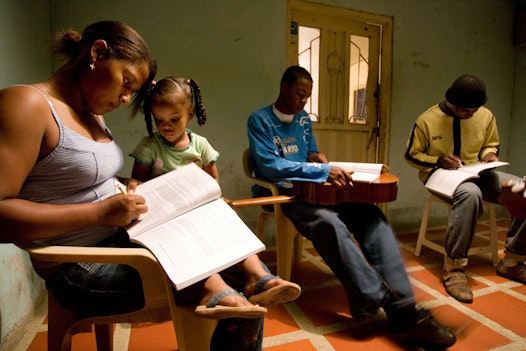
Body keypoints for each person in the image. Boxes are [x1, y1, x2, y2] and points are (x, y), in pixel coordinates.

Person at [0, 21, 272, 351]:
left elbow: (84, 180)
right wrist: (100, 213)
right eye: (126, 82)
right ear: (97, 52)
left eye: (132, 91)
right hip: (78, 265)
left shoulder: (91, 113)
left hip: (122, 240)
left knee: (246, 266)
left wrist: (128, 192)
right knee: (229, 280)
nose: (125, 97)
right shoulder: (27, 104)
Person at [247, 65, 456, 350]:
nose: (303, 102)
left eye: (307, 97)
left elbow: (310, 151)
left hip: (316, 190)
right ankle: (396, 309)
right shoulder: (259, 120)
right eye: (299, 95)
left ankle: (392, 304)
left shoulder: (304, 119)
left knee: (371, 214)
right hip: (287, 196)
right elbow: (270, 167)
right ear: (284, 88)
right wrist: (322, 171)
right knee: (328, 223)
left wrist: (317, 157)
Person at [129, 75, 301, 317]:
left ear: (189, 114)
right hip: (166, 218)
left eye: (174, 119)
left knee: (228, 223)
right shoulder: (149, 146)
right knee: (192, 243)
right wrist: (134, 186)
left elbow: (213, 183)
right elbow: (138, 180)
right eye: (158, 120)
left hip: (196, 208)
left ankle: (258, 276)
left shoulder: (200, 145)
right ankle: (215, 287)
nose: (165, 126)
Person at [405, 74, 526, 303]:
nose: (468, 114)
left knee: (522, 190)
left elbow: (491, 143)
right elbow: (412, 155)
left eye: (473, 110)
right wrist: (438, 160)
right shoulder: (427, 120)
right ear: (450, 101)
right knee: (470, 194)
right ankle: (454, 269)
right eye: (463, 110)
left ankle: (512, 260)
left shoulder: (486, 116)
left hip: (479, 172)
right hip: (439, 175)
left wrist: (489, 155)